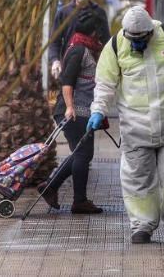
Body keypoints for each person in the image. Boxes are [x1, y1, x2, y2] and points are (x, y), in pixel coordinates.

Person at [87, 6, 164, 243]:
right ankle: (142, 226)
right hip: (135, 127)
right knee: (137, 177)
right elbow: (105, 84)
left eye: (142, 40)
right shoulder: (116, 46)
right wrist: (98, 110)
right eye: (133, 41)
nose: (137, 44)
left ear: (151, 31)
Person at [37, 12, 104, 214]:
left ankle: (50, 187)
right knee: (83, 154)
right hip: (74, 112)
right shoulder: (79, 50)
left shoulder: (83, 48)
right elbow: (67, 81)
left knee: (80, 154)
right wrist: (69, 107)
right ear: (93, 32)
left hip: (83, 111)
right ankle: (79, 201)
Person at [49, 0, 110, 80]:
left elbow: (106, 41)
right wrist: (55, 61)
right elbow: (54, 40)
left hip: (92, 66)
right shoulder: (64, 13)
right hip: (69, 63)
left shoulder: (99, 12)